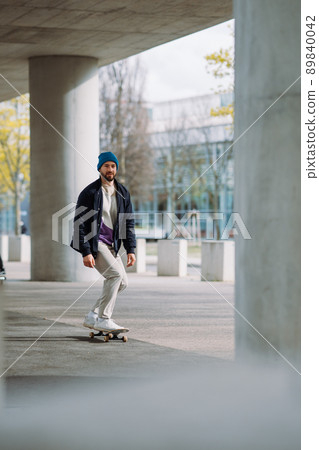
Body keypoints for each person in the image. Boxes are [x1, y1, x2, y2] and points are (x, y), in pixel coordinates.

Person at [71, 151, 136, 333]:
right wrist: (86, 252)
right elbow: (80, 223)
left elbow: (128, 223)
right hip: (95, 243)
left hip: (111, 245)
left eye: (113, 166)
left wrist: (131, 249)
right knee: (114, 275)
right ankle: (104, 319)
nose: (110, 169)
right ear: (100, 168)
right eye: (106, 166)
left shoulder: (123, 193)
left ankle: (93, 314)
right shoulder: (90, 192)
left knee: (122, 282)